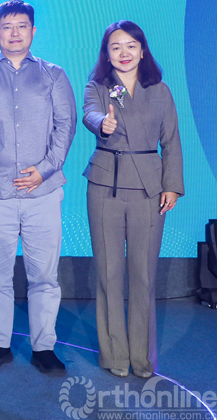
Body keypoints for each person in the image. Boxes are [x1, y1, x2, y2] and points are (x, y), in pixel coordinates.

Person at [0, 0, 76, 376]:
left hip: (42, 192)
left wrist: (44, 170)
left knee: (44, 275)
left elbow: (66, 126)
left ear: (33, 31)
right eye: (7, 27)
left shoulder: (53, 75)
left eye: (22, 25)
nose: (14, 32)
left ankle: (44, 347)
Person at [83, 20, 183, 378]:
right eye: (115, 47)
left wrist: (172, 185)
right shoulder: (98, 87)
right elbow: (91, 114)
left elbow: (171, 140)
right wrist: (103, 124)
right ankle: (114, 356)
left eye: (130, 46)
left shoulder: (160, 90)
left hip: (149, 189)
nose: (123, 53)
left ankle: (142, 359)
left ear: (142, 51)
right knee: (109, 275)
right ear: (106, 54)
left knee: (143, 276)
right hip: (105, 186)